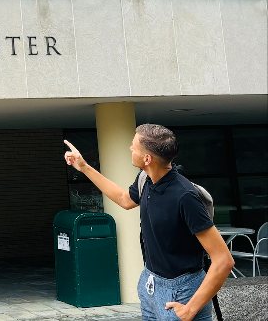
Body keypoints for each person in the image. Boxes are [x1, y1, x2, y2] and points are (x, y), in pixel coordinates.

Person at [63, 124, 233, 321]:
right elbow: (123, 199)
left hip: (182, 292)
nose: (130, 149)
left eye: (134, 146)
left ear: (147, 158)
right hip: (151, 283)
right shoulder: (146, 179)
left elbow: (223, 260)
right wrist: (83, 167)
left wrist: (190, 309)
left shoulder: (184, 196)